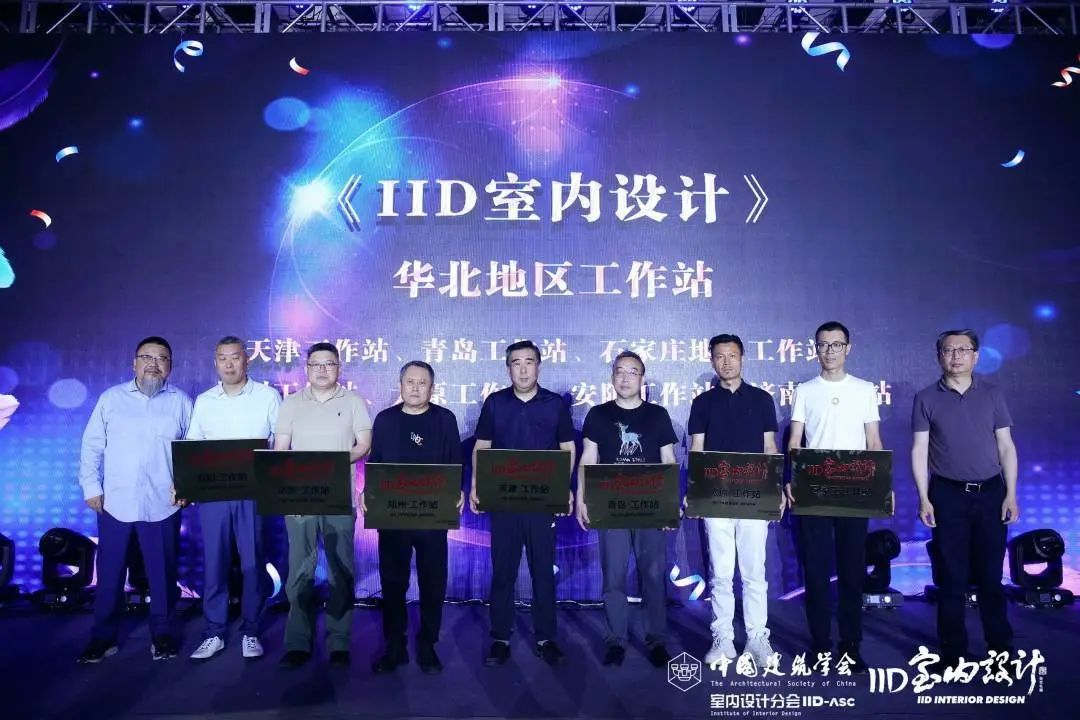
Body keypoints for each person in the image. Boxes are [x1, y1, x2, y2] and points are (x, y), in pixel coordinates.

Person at [77, 336, 192, 663]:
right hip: (116, 502)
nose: (153, 364)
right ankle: (103, 638)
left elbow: (192, 449)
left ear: (170, 366)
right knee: (110, 574)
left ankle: (163, 636)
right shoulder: (111, 399)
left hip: (164, 504)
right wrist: (91, 486)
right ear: (134, 363)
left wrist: (188, 487)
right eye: (146, 357)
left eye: (161, 358)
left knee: (163, 575)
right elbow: (91, 445)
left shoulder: (181, 402)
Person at [911, 329, 1018, 669]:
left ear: (976, 356)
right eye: (948, 350)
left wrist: (1011, 494)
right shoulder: (926, 398)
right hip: (947, 496)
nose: (955, 356)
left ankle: (1000, 652)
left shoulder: (992, 394)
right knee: (951, 579)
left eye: (963, 349)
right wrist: (924, 497)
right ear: (938, 356)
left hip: (991, 494)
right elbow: (919, 450)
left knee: (990, 578)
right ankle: (952, 654)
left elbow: (1006, 446)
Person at [469, 340, 576, 667]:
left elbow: (567, 448)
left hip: (542, 502)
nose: (523, 369)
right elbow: (482, 446)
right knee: (503, 571)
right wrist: (476, 485)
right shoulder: (496, 403)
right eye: (516, 363)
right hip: (504, 501)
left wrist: (564, 488)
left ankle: (546, 638)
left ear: (538, 366)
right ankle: (500, 637)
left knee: (543, 572)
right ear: (508, 369)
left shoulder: (554, 404)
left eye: (529, 362)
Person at [787, 321, 882, 673]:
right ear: (815, 349)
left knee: (852, 571)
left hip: (855, 490)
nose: (829, 351)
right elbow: (795, 440)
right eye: (823, 345)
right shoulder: (805, 390)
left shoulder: (865, 390)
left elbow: (873, 441)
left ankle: (851, 645)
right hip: (814, 489)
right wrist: (792, 478)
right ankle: (820, 645)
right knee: (815, 571)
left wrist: (879, 482)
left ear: (848, 348)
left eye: (836, 344)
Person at [274, 342, 372, 668]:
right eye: (315, 364)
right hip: (299, 498)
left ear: (338, 368)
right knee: (299, 570)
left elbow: (364, 444)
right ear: (306, 368)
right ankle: (298, 642)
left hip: (338, 497)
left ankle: (339, 641)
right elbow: (280, 450)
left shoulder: (353, 401)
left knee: (340, 570)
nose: (322, 370)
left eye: (328, 364)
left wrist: (332, 464)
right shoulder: (291, 403)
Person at [576, 351, 676, 668]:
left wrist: (670, 504)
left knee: (653, 575)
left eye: (632, 372)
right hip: (611, 506)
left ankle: (657, 640)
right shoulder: (598, 414)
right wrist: (581, 497)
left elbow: (668, 461)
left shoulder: (657, 415)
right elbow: (588, 459)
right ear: (612, 377)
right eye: (620, 371)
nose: (625, 378)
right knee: (614, 577)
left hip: (651, 506)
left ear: (642, 378)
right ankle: (616, 640)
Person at [184, 336, 281, 662]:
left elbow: (280, 442)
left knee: (253, 563)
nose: (229, 364)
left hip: (252, 492)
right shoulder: (205, 401)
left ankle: (251, 630)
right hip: (214, 494)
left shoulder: (267, 396)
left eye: (235, 357)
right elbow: (193, 443)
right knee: (215, 563)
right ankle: (214, 631)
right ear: (215, 363)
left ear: (246, 360)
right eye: (222, 358)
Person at [363, 361, 463, 674]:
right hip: (393, 515)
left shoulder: (445, 419)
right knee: (393, 583)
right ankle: (395, 647)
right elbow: (376, 463)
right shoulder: (385, 420)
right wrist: (367, 491)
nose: (415, 388)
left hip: (432, 516)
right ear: (400, 385)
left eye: (422, 383)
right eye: (410, 382)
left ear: (432, 388)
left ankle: (427, 644)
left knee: (433, 582)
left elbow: (455, 463)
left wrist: (457, 491)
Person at [687, 334, 781, 667]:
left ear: (742, 358)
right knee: (721, 573)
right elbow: (697, 450)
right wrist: (695, 492)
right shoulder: (702, 403)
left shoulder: (762, 399)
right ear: (711, 360)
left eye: (732, 355)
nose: (726, 362)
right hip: (716, 496)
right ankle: (723, 638)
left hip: (755, 496)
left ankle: (757, 638)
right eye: (720, 356)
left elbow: (769, 448)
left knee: (754, 572)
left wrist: (775, 490)